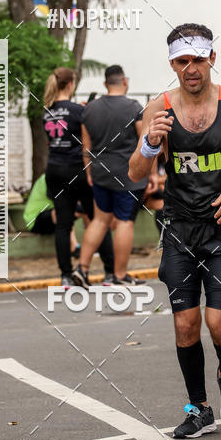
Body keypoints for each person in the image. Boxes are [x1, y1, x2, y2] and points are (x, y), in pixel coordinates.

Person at [128, 23, 221, 438]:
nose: (190, 68)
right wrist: (148, 145)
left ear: (212, 58)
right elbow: (136, 173)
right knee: (184, 325)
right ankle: (199, 408)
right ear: (172, 64)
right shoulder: (157, 109)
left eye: (197, 59)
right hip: (179, 230)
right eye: (182, 61)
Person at [73, 65, 148, 288]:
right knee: (125, 221)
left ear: (105, 83)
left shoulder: (90, 109)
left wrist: (89, 171)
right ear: (124, 81)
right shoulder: (134, 107)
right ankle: (119, 275)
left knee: (100, 219)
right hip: (128, 175)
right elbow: (145, 142)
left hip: (99, 173)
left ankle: (82, 269)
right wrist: (149, 172)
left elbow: (85, 146)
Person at [43, 67, 112, 288]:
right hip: (77, 169)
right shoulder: (78, 110)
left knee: (63, 225)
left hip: (54, 168)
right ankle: (110, 271)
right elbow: (87, 143)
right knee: (99, 220)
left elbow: (48, 142)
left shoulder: (47, 111)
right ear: (71, 84)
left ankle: (65, 275)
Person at [23, 173, 114, 279]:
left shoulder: (60, 173)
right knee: (65, 212)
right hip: (35, 220)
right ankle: (75, 249)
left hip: (52, 216)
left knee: (77, 211)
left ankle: (91, 244)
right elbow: (61, 202)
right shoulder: (49, 177)